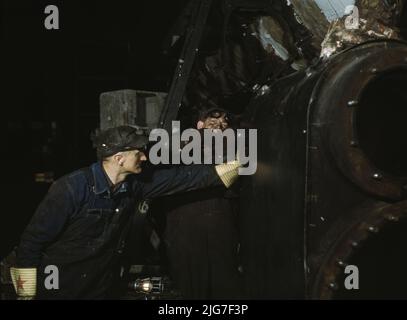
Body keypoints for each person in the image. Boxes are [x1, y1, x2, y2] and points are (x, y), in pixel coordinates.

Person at [11, 125, 240, 299]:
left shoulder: (134, 185)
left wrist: (233, 167)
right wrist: (26, 294)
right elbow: (32, 241)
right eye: (138, 152)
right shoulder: (70, 188)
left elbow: (180, 179)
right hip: (61, 288)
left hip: (100, 286)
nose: (145, 156)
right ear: (119, 158)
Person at [163, 107, 242, 299]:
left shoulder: (232, 146)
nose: (220, 124)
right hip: (186, 219)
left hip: (218, 217)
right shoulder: (182, 144)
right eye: (212, 120)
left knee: (222, 276)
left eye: (224, 121)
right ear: (199, 124)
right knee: (191, 279)